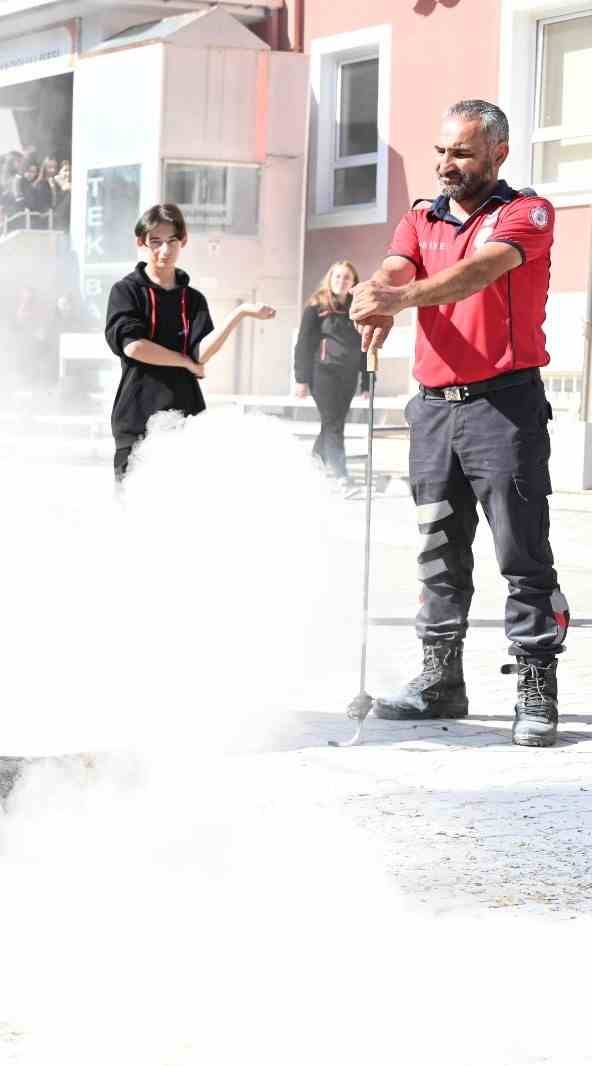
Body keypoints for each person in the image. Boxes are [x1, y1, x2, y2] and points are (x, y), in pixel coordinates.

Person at [350, 99, 568, 748]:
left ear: (498, 153)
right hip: (433, 410)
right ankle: (440, 679)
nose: (447, 164)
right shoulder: (422, 216)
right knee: (438, 551)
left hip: (503, 407)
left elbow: (477, 274)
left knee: (520, 554)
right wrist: (378, 292)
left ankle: (536, 689)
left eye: (462, 153)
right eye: (441, 151)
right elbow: (397, 265)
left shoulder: (525, 213)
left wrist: (402, 298)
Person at [104, 203, 275, 481]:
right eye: (155, 242)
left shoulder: (193, 299)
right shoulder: (126, 291)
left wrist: (239, 314)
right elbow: (134, 346)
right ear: (142, 243)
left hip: (186, 417)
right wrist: (183, 361)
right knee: (133, 510)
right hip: (137, 417)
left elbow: (201, 353)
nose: (164, 250)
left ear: (182, 241)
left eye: (172, 241)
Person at [292, 260, 366, 480]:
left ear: (353, 282)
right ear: (330, 278)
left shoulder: (359, 309)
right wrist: (301, 379)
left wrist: (367, 381)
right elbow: (303, 344)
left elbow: (366, 346)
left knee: (333, 423)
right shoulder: (316, 307)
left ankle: (314, 463)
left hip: (348, 376)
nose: (342, 281)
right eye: (338, 276)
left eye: (347, 278)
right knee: (333, 423)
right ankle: (341, 474)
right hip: (323, 374)